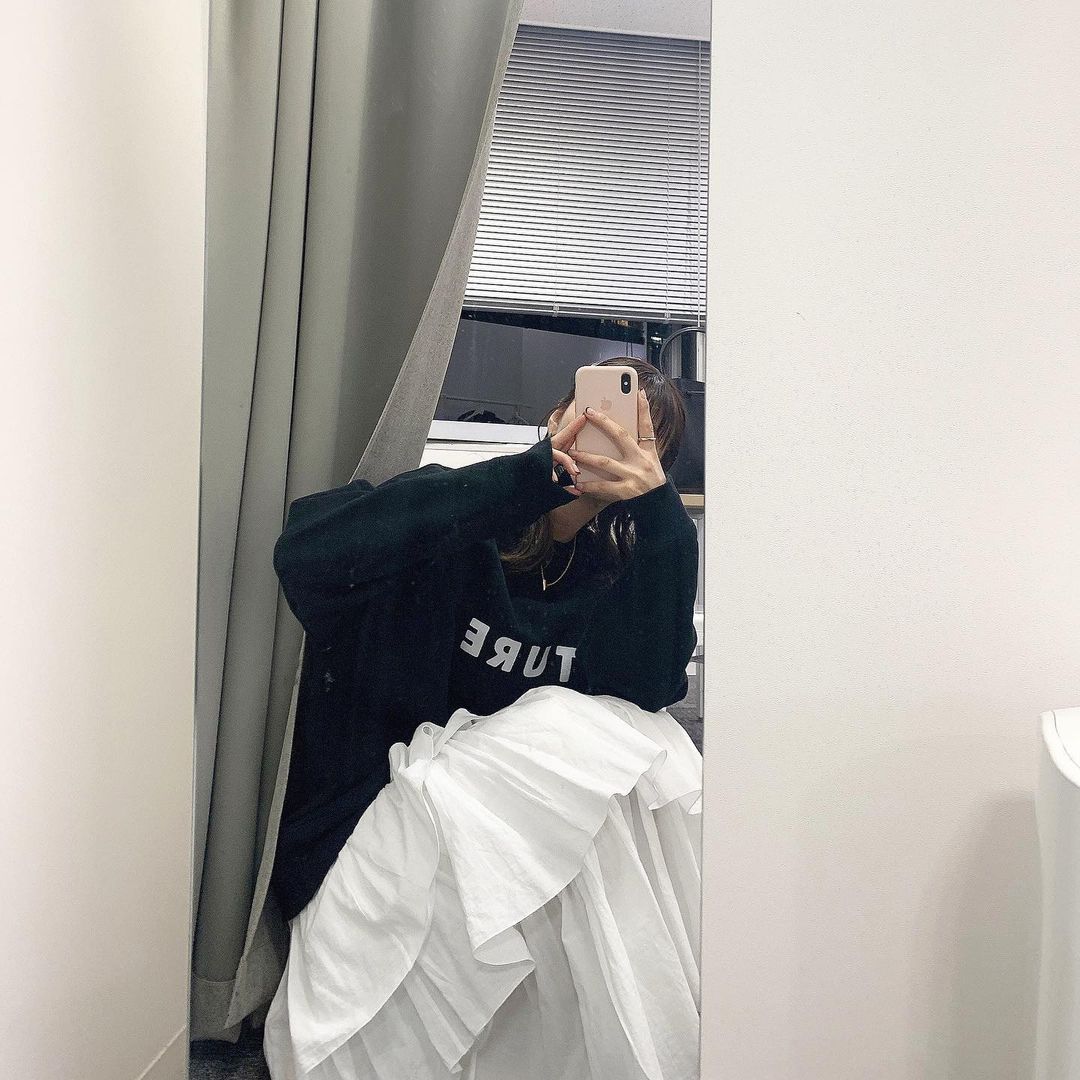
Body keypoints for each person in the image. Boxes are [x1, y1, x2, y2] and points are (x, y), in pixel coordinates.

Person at [263, 357, 702, 1080]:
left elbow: (650, 689)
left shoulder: (614, 574)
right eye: (592, 414)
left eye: (634, 437)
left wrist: (662, 516)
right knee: (562, 722)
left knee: (646, 740)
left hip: (527, 851)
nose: (606, 437)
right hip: (384, 810)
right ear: (557, 417)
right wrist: (535, 477)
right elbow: (306, 557)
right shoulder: (464, 513)